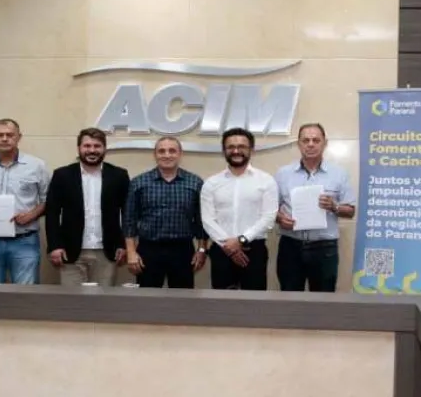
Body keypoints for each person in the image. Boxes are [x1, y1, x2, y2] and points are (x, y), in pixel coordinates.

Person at [274, 123, 356, 292]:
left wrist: (334, 206)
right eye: (306, 140)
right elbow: (270, 209)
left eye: (316, 140)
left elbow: (350, 211)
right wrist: (280, 218)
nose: (310, 144)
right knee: (289, 296)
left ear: (325, 143)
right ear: (299, 144)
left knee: (323, 299)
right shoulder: (283, 174)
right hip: (291, 246)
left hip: (324, 248)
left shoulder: (339, 173)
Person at [45, 128, 129, 286]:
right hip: (70, 251)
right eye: (87, 146)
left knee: (103, 298)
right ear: (79, 148)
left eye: (97, 146)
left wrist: (123, 245)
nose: (92, 150)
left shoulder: (119, 175)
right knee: (72, 299)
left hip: (107, 251)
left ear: (104, 148)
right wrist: (54, 246)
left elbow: (127, 213)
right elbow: (52, 213)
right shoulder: (62, 175)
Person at [0, 118, 49, 284]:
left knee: (26, 293)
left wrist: (31, 215)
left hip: (24, 240)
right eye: (0, 135)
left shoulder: (37, 165)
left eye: (10, 135)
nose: (4, 139)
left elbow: (47, 200)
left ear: (19, 137)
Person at [124, 137, 208, 289]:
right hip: (149, 250)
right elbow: (129, 220)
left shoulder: (195, 183)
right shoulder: (139, 182)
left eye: (172, 151)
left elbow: (201, 221)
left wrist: (202, 250)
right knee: (147, 297)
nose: (167, 155)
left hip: (183, 251)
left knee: (183, 298)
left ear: (180, 154)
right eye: (161, 151)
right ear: (155, 154)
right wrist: (130, 252)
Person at [201, 128, 279, 290]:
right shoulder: (211, 183)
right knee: (221, 301)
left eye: (242, 146)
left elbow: (269, 217)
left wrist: (241, 240)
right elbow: (207, 219)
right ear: (224, 151)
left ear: (252, 150)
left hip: (254, 251)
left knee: (254, 301)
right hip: (221, 251)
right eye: (231, 147)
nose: (236, 151)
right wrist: (229, 246)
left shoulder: (266, 181)